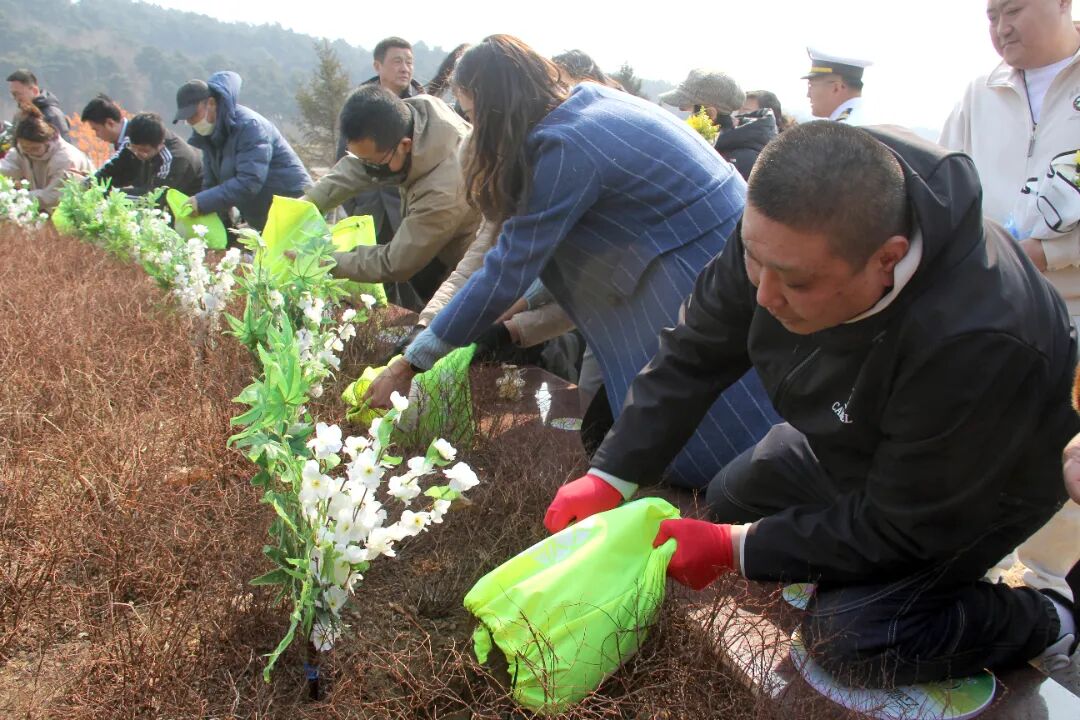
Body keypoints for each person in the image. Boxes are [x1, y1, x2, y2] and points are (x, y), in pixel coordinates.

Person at [544, 121, 1079, 685]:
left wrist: (735, 550)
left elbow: (906, 523)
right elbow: (695, 350)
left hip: (972, 483)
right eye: (754, 262)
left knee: (853, 637)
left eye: (796, 284)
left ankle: (1044, 619)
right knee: (728, 499)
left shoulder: (978, 338)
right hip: (857, 435)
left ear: (887, 259)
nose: (764, 296)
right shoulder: (785, 228)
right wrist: (611, 473)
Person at [366, 35, 779, 490]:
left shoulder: (564, 144)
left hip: (688, 282)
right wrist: (502, 317)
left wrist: (411, 362)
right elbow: (557, 254)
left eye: (474, 113)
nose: (475, 127)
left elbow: (506, 269)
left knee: (715, 445)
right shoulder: (585, 109)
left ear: (499, 107)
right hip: (697, 273)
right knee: (668, 431)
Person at [940, 0, 1080, 610]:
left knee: (1065, 469)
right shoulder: (980, 94)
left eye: (1015, 9)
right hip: (992, 312)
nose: (1001, 28)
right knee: (979, 451)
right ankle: (977, 585)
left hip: (1073, 313)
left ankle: (1048, 597)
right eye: (991, 15)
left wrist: (1049, 253)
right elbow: (944, 188)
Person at [303, 86, 479, 304]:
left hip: (475, 269)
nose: (368, 167)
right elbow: (359, 166)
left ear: (405, 146)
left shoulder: (443, 190)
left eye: (372, 162)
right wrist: (308, 203)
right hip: (438, 246)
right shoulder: (414, 119)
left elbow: (396, 263)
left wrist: (325, 261)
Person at [335, 37, 428, 306]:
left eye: (409, 62)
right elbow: (344, 160)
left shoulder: (421, 107)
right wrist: (355, 205)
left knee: (414, 277)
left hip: (408, 210)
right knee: (374, 281)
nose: (405, 68)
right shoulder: (360, 107)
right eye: (397, 61)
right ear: (378, 65)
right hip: (370, 210)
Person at [173, 72, 311, 232]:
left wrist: (202, 202)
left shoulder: (250, 127)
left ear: (211, 103)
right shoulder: (210, 137)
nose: (191, 122)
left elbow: (249, 181)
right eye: (187, 119)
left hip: (293, 207)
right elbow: (211, 185)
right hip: (265, 215)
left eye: (194, 115)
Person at [660, 68, 776, 180]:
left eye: (689, 113)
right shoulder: (720, 147)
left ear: (710, 115)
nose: (683, 123)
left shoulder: (739, 164)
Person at [83, 97, 202, 197]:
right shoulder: (132, 141)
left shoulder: (175, 158)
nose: (139, 154)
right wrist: (87, 184)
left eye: (145, 151)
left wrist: (110, 195)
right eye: (135, 149)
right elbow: (113, 169)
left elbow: (154, 197)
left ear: (160, 145)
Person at [0, 107, 92, 210]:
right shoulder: (20, 151)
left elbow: (54, 196)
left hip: (79, 209)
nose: (29, 151)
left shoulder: (64, 158)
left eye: (35, 148)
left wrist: (17, 198)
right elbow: (6, 169)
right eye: (25, 147)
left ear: (47, 141)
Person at [803, 47, 872, 124]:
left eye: (811, 86)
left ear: (836, 88)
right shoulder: (866, 116)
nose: (808, 95)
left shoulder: (844, 127)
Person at [7, 69, 71, 143]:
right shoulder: (19, 114)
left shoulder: (53, 115)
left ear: (34, 91)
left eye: (18, 94)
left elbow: (63, 145)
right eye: (12, 94)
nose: (14, 98)